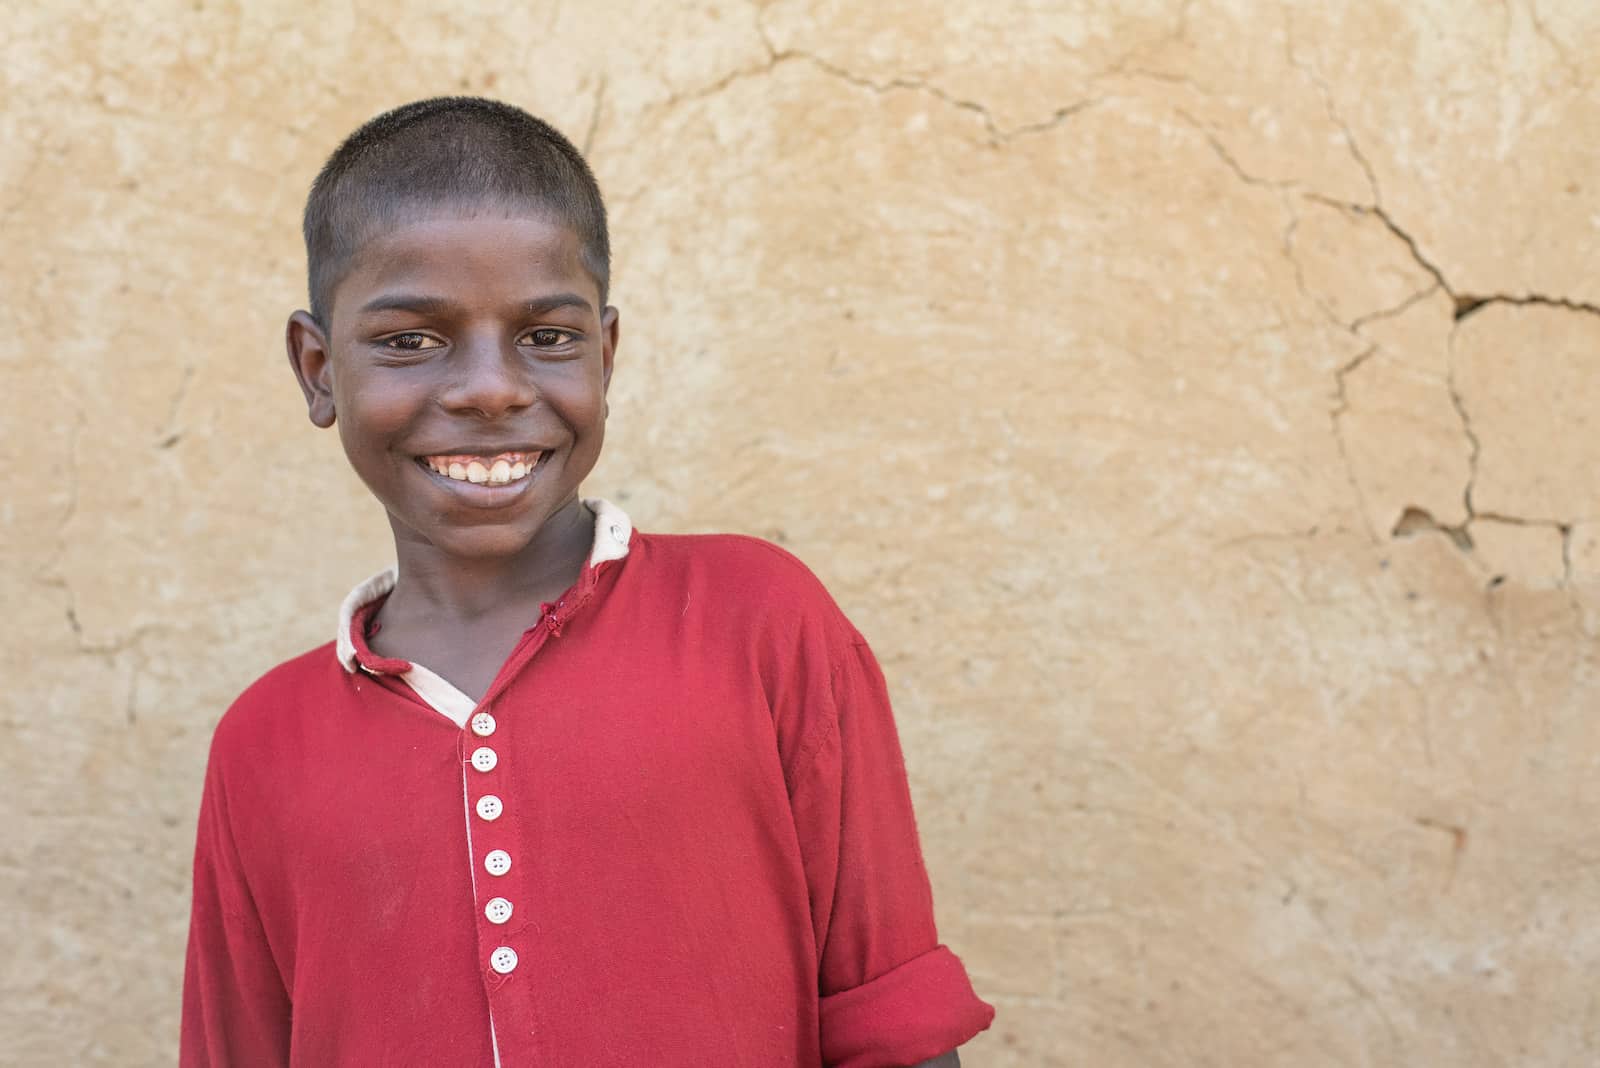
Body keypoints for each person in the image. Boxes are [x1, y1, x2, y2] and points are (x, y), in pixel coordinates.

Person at [180, 96, 993, 1068]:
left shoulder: (760, 625)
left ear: (605, 355)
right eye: (410, 340)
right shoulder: (262, 745)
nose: (490, 388)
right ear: (317, 369)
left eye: (547, 337)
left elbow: (893, 1028)